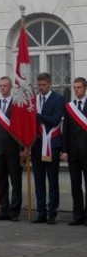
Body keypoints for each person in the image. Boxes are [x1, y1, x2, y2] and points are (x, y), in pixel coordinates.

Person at [30, 72, 64, 224]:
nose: (41, 88)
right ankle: (41, 211)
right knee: (38, 180)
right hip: (37, 145)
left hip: (52, 144)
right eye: (39, 85)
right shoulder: (34, 100)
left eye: (44, 85)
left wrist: (38, 117)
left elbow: (55, 120)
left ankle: (52, 212)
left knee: (52, 179)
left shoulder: (58, 99)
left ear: (50, 84)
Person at [0, 76, 23, 222]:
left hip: (14, 149)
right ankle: (4, 209)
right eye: (0, 86)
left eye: (5, 86)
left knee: (16, 181)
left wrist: (23, 147)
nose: (2, 88)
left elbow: (21, 128)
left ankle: (14, 211)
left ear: (10, 87)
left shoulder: (17, 104)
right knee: (1, 181)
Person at [61, 77, 87, 226]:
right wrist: (64, 150)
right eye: (74, 88)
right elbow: (66, 131)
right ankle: (77, 216)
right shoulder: (69, 107)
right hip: (73, 152)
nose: (76, 90)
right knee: (75, 185)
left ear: (85, 88)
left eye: (79, 87)